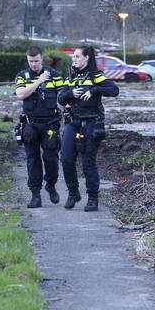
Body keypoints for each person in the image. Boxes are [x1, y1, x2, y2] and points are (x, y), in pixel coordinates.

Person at [58, 45, 119, 211]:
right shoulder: (70, 76)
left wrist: (94, 90)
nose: (75, 59)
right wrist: (71, 94)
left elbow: (114, 90)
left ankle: (93, 198)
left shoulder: (95, 75)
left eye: (77, 56)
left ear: (86, 58)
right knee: (66, 157)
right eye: (74, 57)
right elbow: (61, 98)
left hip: (91, 123)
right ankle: (73, 192)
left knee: (88, 162)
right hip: (72, 122)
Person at [14, 46, 64, 208]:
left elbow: (64, 96)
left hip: (50, 124)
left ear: (42, 59)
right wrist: (39, 81)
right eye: (31, 61)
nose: (34, 64)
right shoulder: (23, 76)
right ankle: (35, 194)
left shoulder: (55, 75)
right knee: (32, 160)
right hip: (30, 124)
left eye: (36, 61)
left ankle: (50, 184)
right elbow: (21, 94)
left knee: (51, 159)